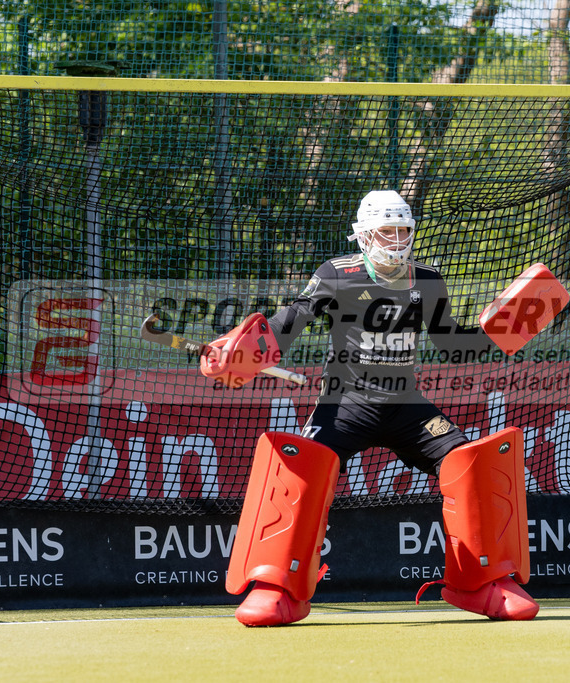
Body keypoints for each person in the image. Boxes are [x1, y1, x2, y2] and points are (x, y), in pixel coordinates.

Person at [201, 190, 540, 626]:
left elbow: (451, 343)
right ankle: (276, 588)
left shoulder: (427, 279)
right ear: (363, 236)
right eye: (387, 232)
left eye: (403, 231)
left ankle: (485, 584)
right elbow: (291, 321)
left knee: (468, 462)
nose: (397, 241)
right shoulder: (337, 274)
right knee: (299, 468)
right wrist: (244, 351)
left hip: (407, 406)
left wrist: (503, 327)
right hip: (345, 404)